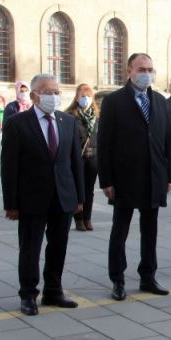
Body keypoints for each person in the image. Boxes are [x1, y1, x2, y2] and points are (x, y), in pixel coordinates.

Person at [1, 73, 84, 316]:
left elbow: (75, 161)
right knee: (30, 248)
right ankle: (28, 294)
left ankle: (53, 290)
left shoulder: (67, 121)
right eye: (48, 92)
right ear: (35, 94)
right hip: (31, 198)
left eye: (56, 92)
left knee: (59, 245)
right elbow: (9, 166)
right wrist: (11, 203)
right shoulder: (17, 123)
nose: (53, 96)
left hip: (63, 196)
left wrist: (79, 198)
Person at [97, 53, 171, 301]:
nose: (146, 74)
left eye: (150, 69)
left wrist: (169, 175)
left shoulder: (160, 101)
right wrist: (106, 180)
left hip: (154, 176)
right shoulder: (115, 101)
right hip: (124, 178)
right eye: (141, 69)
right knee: (121, 229)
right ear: (129, 71)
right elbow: (104, 142)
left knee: (150, 229)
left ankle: (148, 275)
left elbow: (167, 141)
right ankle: (117, 279)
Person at [66, 84, 99, 231]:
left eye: (88, 96)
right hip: (77, 158)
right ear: (77, 98)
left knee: (89, 189)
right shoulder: (70, 116)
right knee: (77, 188)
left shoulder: (96, 117)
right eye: (82, 96)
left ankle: (88, 218)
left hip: (93, 157)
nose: (85, 99)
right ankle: (78, 219)